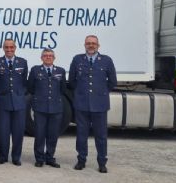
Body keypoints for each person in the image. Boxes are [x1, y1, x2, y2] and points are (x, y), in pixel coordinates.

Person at [69, 35, 116, 173]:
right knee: (81, 134)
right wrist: (81, 93)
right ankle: (81, 160)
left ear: (98, 46)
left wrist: (100, 92)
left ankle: (102, 162)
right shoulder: (77, 59)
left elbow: (112, 81)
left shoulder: (106, 60)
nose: (91, 45)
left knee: (101, 135)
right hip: (82, 104)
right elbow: (72, 80)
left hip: (100, 105)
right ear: (84, 45)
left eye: (93, 43)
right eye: (88, 43)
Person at [27, 48, 66, 168]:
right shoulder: (35, 70)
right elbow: (30, 87)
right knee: (39, 134)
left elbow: (63, 89)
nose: (48, 57)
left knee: (53, 134)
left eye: (50, 56)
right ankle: (39, 158)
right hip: (40, 108)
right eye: (45, 55)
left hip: (56, 108)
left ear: (54, 58)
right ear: (41, 58)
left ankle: (50, 157)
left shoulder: (60, 71)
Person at [0, 39, 28, 166]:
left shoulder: (23, 62)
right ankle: (3, 156)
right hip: (2, 101)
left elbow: (24, 82)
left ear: (15, 48)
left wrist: (20, 93)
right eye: (6, 47)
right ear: (3, 48)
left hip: (18, 102)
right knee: (3, 131)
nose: (9, 49)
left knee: (18, 131)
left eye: (11, 47)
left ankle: (16, 157)